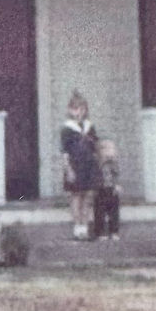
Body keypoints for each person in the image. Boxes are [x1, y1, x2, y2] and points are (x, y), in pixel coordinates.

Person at [60, 91, 100, 240]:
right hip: (75, 165)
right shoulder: (67, 129)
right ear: (70, 110)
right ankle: (77, 227)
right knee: (76, 197)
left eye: (82, 109)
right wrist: (68, 169)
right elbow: (65, 151)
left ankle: (85, 225)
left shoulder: (89, 127)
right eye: (76, 109)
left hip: (89, 165)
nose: (79, 112)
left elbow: (95, 147)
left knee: (88, 197)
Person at [93, 139, 121, 240]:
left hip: (112, 189)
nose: (111, 152)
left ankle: (114, 231)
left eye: (113, 149)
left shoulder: (113, 163)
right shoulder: (97, 163)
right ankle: (100, 232)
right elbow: (94, 176)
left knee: (114, 212)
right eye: (108, 149)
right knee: (99, 212)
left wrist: (117, 185)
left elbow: (116, 174)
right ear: (100, 151)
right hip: (100, 189)